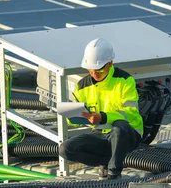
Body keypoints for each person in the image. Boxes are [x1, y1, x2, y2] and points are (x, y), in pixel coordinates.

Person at [59, 38, 143, 179]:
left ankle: (113, 173)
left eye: (99, 69)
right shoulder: (81, 86)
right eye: (91, 70)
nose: (94, 73)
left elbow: (131, 114)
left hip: (128, 135)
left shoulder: (125, 80)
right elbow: (74, 120)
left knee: (119, 127)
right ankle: (106, 161)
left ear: (110, 63)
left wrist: (102, 117)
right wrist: (74, 117)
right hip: (100, 135)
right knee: (65, 149)